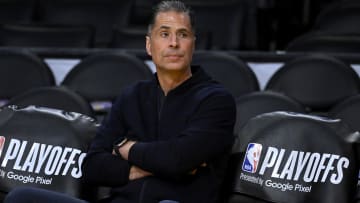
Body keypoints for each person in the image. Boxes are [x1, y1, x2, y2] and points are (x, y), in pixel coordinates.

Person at [4, 1, 236, 203]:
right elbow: (92, 167)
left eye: (182, 34)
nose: (173, 43)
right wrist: (161, 164)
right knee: (22, 197)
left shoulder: (216, 100)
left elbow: (177, 160)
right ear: (149, 45)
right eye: (164, 34)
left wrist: (125, 148)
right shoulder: (131, 96)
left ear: (193, 45)